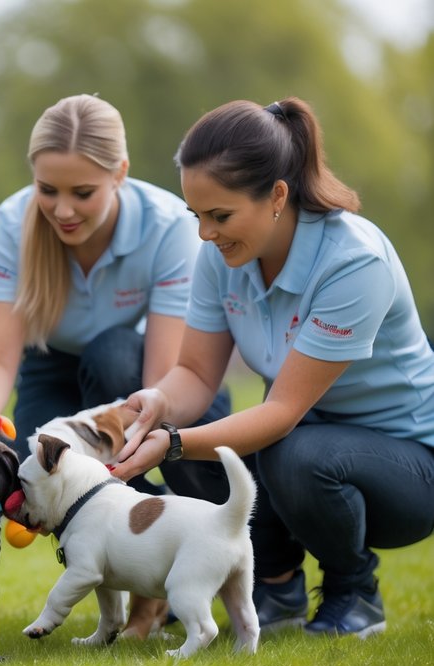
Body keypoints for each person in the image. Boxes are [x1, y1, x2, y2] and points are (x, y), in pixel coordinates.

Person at [113, 97, 434, 638]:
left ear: (278, 196)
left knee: (283, 450)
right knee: (200, 447)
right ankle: (275, 584)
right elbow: (193, 373)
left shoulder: (354, 261)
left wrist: (171, 441)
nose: (205, 234)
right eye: (197, 216)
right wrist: (158, 406)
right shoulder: (220, 256)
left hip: (408, 467)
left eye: (220, 216)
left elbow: (282, 412)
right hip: (302, 438)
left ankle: (354, 591)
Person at [0, 93, 230, 637]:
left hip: (137, 371)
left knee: (111, 359)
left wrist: (122, 460)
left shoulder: (168, 226)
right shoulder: (12, 222)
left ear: (120, 174)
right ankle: (136, 590)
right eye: (47, 190)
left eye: (82, 193)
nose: (61, 209)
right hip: (52, 367)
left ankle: (162, 589)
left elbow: (161, 381)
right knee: (28, 474)